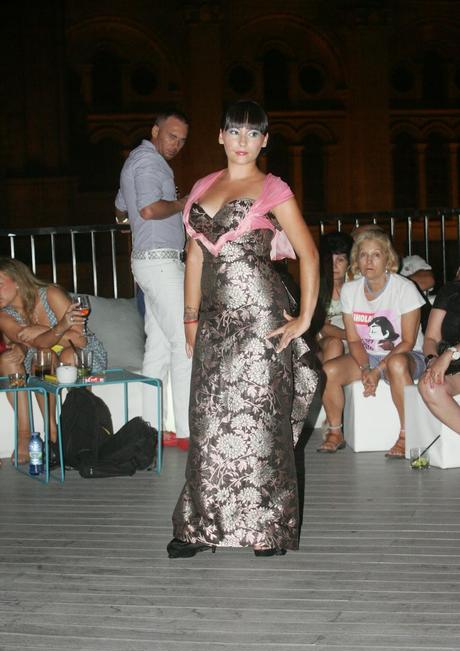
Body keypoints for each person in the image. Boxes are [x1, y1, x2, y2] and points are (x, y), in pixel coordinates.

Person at [167, 100, 320, 559]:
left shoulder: (274, 189)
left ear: (264, 141)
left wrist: (305, 318)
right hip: (214, 323)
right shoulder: (201, 186)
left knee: (260, 424)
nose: (242, 142)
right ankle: (197, 526)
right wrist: (189, 319)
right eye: (235, 132)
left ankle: (265, 526)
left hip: (260, 320)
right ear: (220, 136)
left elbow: (308, 254)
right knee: (209, 421)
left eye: (253, 134)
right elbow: (194, 256)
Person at [115, 109, 191, 451]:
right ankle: (190, 431)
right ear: (155, 130)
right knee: (185, 342)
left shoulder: (135, 161)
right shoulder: (150, 163)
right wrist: (181, 202)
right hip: (160, 262)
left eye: (182, 140)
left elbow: (120, 209)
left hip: (146, 262)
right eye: (172, 136)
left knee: (158, 347)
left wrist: (136, 216)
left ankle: (150, 429)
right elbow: (147, 210)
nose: (176, 144)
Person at [317, 227, 426, 457]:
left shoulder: (404, 289)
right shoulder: (351, 290)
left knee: (396, 363)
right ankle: (335, 432)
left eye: (376, 254)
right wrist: (366, 368)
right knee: (329, 370)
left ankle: (407, 436)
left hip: (407, 356)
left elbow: (407, 341)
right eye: (363, 254)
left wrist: (377, 370)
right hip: (368, 355)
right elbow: (354, 339)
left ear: (388, 258)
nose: (369, 260)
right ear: (356, 259)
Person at [0, 257, 107, 463]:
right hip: (40, 357)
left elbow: (79, 339)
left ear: (19, 281)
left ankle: (82, 427)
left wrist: (43, 332)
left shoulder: (51, 294)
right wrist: (54, 331)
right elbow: (34, 342)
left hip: (79, 352)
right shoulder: (4, 315)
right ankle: (50, 433)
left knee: (68, 355)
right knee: (44, 356)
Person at [418, 273, 460, 432]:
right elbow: (431, 338)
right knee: (429, 385)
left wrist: (450, 353)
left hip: (450, 357)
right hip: (453, 367)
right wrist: (432, 360)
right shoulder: (450, 290)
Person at [316, 231, 354, 363]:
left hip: (356, 338)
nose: (334, 265)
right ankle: (328, 382)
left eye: (340, 260)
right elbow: (323, 327)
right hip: (325, 341)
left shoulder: (356, 285)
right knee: (335, 344)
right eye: (329, 260)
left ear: (349, 262)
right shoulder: (317, 288)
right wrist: (350, 336)